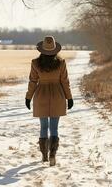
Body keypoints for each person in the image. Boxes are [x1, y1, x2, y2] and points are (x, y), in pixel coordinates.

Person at [25, 36, 73, 166]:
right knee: (54, 127)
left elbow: (33, 82)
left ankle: (44, 155)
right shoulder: (61, 63)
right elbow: (65, 82)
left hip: (41, 96)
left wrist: (28, 97)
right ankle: (52, 154)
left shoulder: (35, 63)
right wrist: (69, 97)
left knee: (43, 127)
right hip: (58, 96)